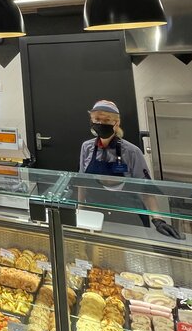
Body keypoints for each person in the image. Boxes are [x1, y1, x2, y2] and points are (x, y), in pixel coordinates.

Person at [78, 99, 182, 239]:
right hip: (96, 213)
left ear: (116, 123)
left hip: (128, 214)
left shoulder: (132, 151)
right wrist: (80, 211)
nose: (100, 123)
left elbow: (145, 188)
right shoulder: (87, 147)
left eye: (106, 120)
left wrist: (157, 219)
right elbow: (82, 182)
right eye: (97, 119)